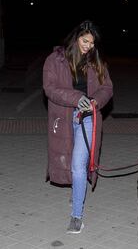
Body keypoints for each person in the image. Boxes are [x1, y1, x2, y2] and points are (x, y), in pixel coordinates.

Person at [43, 20, 113, 233]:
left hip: (88, 118)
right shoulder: (55, 60)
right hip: (63, 118)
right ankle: (77, 195)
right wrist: (76, 98)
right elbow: (50, 88)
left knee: (78, 165)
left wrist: (95, 102)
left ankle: (76, 216)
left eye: (92, 43)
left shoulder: (97, 61)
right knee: (69, 162)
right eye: (85, 41)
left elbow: (107, 88)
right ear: (75, 38)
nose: (88, 46)